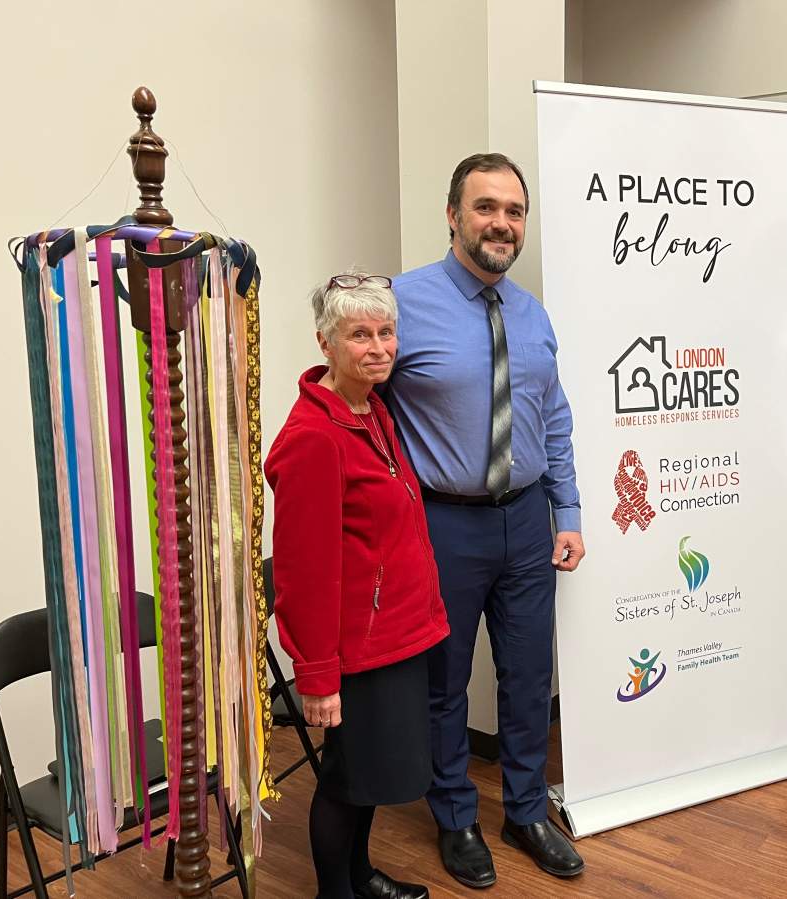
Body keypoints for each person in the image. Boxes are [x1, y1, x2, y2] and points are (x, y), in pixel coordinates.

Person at [384, 153, 586, 889]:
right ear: (453, 215)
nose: (501, 222)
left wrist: (566, 509)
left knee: (530, 675)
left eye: (513, 210)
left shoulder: (532, 312)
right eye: (486, 207)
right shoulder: (402, 304)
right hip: (443, 525)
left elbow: (552, 416)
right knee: (445, 682)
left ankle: (525, 809)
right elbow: (363, 410)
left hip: (528, 522)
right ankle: (456, 815)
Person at [265, 271, 450, 899]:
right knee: (345, 781)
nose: (378, 347)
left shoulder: (371, 410)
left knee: (367, 777)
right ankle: (335, 893)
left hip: (398, 635)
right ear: (326, 343)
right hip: (355, 651)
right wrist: (316, 677)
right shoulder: (313, 439)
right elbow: (301, 573)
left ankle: (361, 877)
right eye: (359, 335)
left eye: (386, 332)